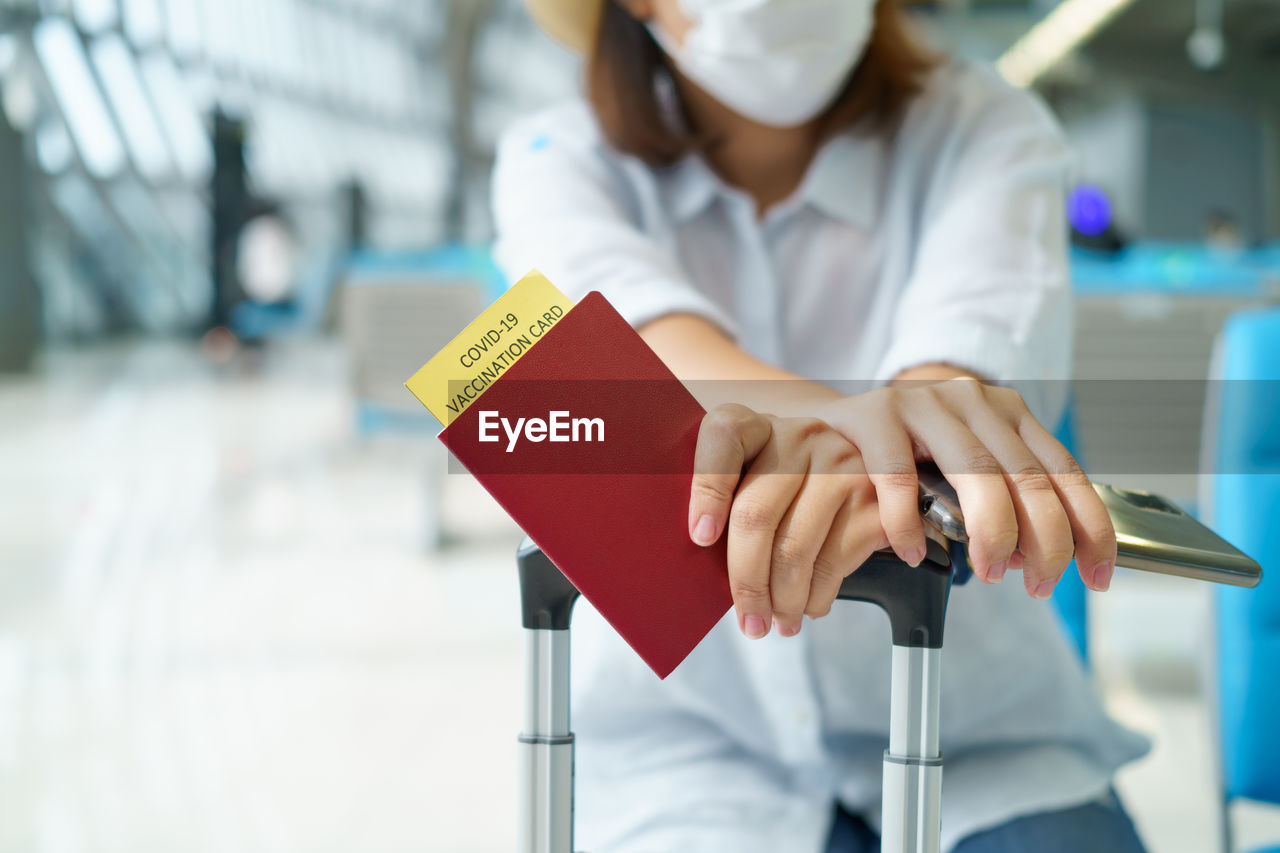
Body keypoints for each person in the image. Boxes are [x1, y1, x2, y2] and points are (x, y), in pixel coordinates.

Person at [492, 1, 1151, 850]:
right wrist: (891, 435)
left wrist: (907, 418)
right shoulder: (555, 158)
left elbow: (963, 368)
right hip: (689, 748)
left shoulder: (989, 127)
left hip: (982, 739)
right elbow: (638, 358)